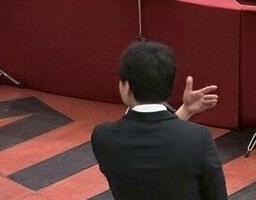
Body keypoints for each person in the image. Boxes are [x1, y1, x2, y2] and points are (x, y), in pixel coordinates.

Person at [91, 41, 228, 200]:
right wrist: (185, 111)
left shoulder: (103, 137)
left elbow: (150, 140)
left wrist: (185, 111)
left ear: (126, 87)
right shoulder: (198, 137)